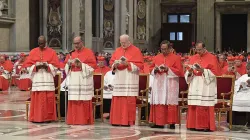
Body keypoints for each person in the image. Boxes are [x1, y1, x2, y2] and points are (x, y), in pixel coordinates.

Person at [22, 36, 60, 122]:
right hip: (37, 78)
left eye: (42, 43)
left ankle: (48, 118)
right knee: (37, 99)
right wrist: (36, 66)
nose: (41, 45)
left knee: (48, 98)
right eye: (39, 43)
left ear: (46, 42)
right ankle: (36, 117)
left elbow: (56, 66)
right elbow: (27, 66)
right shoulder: (33, 52)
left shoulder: (52, 52)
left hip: (47, 78)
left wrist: (47, 66)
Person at [185, 41, 221, 131]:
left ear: (205, 48)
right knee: (194, 104)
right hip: (195, 83)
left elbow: (215, 73)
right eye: (196, 50)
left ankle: (205, 126)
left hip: (206, 84)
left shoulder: (212, 58)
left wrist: (202, 70)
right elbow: (188, 73)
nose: (198, 52)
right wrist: (189, 71)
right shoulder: (193, 57)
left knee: (204, 104)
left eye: (200, 50)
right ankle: (192, 125)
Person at [109, 34, 144, 126]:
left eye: (124, 42)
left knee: (128, 100)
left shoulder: (136, 51)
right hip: (119, 78)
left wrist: (128, 64)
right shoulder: (117, 50)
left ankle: (127, 121)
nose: (123, 44)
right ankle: (116, 121)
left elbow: (140, 66)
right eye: (121, 42)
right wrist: (115, 65)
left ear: (129, 41)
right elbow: (111, 62)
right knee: (118, 99)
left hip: (129, 79)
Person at [149, 40, 183, 129]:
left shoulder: (176, 58)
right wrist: (155, 70)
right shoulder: (156, 57)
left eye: (165, 49)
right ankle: (158, 122)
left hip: (170, 83)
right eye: (162, 49)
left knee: (169, 101)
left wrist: (168, 69)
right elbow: (151, 68)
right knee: (159, 101)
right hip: (159, 82)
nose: (163, 51)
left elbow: (179, 71)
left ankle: (171, 122)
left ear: (170, 48)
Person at [64, 36, 97, 125]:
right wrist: (69, 64)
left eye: (78, 43)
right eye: (74, 43)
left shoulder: (89, 52)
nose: (76, 45)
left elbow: (93, 66)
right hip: (74, 78)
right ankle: (73, 120)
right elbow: (66, 66)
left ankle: (83, 120)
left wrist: (81, 65)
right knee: (74, 99)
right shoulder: (71, 54)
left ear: (81, 42)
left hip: (83, 79)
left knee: (83, 99)